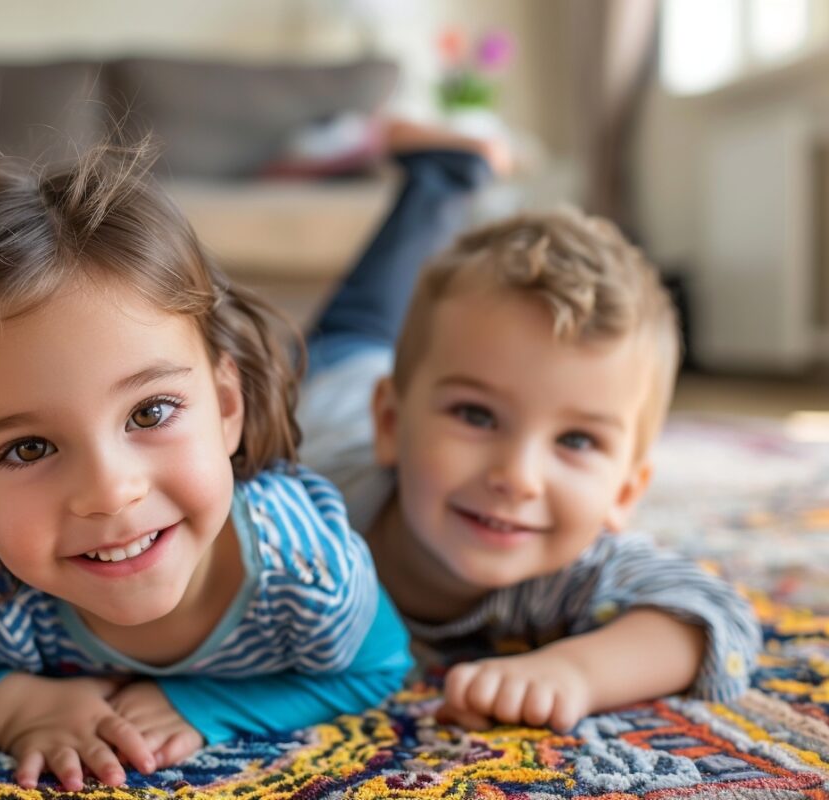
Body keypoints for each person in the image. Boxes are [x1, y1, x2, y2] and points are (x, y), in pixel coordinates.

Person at [0, 142, 413, 792]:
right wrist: (9, 706)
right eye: (28, 448)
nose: (110, 493)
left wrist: (207, 704)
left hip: (343, 415)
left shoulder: (309, 574)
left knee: (354, 342)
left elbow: (380, 666)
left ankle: (433, 184)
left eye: (150, 413)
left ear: (226, 405)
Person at [298, 153, 762, 733]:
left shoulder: (573, 564)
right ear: (392, 425)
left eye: (576, 439)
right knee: (358, 321)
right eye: (476, 414)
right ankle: (438, 177)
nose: (518, 477)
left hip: (373, 381)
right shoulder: (310, 514)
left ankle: (443, 172)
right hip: (330, 389)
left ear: (624, 491)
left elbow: (720, 619)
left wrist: (574, 672)